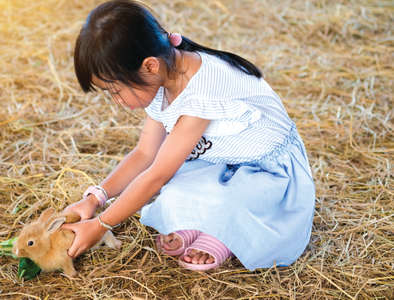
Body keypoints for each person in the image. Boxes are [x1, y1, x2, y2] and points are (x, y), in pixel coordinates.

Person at [61, 0, 315, 271]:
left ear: (149, 66)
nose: (117, 101)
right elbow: (145, 154)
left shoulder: (201, 93)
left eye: (116, 90)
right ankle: (205, 220)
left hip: (269, 174)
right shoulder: (162, 76)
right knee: (171, 194)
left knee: (220, 200)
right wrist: (95, 199)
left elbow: (157, 174)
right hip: (220, 162)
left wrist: (101, 225)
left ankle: (221, 234)